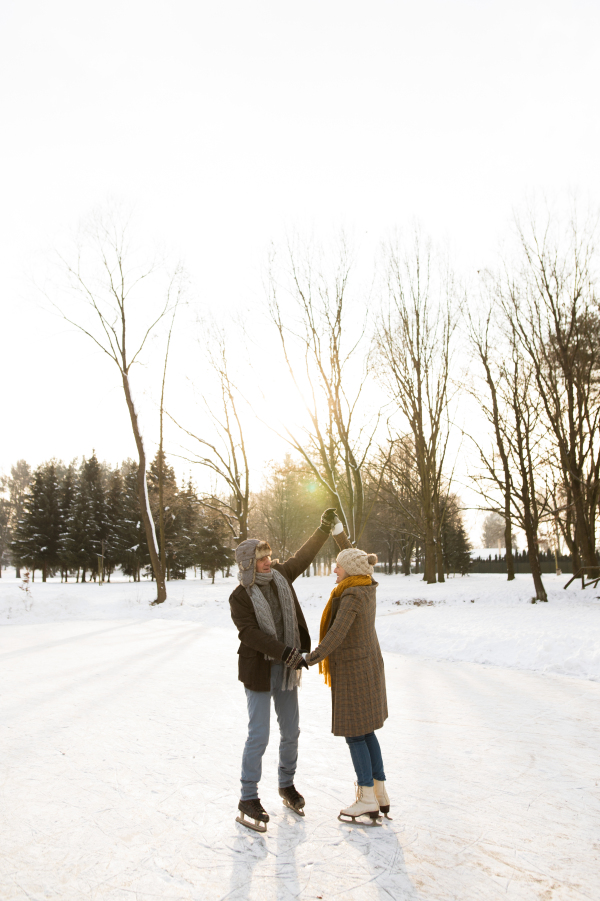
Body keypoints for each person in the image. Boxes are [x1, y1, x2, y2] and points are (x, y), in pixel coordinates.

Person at [229, 508, 348, 833]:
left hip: (286, 670)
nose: (268, 561)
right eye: (261, 558)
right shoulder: (239, 597)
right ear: (247, 564)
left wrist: (323, 530)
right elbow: (251, 635)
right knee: (259, 735)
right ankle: (248, 796)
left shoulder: (282, 576)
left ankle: (286, 784)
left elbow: (304, 555)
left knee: (291, 731)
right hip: (259, 671)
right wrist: (285, 653)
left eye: (268, 556)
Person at [305, 547, 390, 824]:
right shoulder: (365, 585)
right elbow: (355, 556)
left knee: (355, 734)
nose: (334, 570)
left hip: (355, 672)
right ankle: (379, 793)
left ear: (350, 570)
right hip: (367, 667)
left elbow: (336, 634)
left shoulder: (352, 594)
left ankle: (366, 798)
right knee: (367, 733)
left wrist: (309, 658)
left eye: (338, 566)